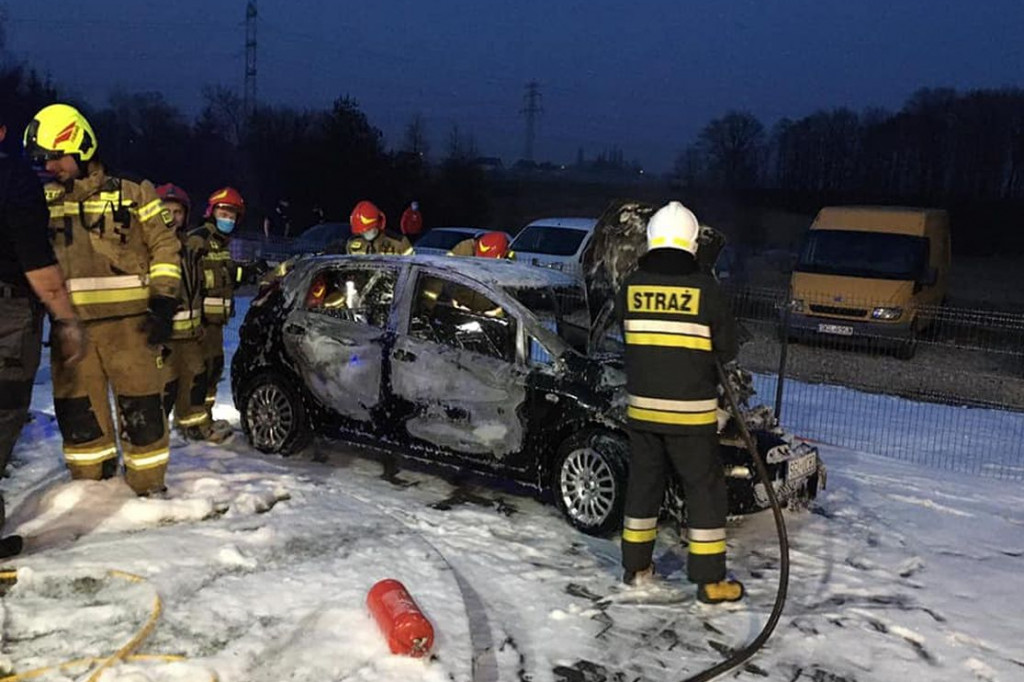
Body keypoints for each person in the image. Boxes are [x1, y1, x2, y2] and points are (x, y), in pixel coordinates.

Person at [24, 103, 181, 496]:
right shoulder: (40, 200)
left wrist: (163, 301)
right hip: (70, 329)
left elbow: (165, 245)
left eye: (56, 158)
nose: (51, 167)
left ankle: (149, 491)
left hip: (131, 325)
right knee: (79, 415)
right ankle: (90, 494)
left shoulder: (133, 192)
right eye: (44, 160)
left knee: (142, 409)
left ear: (80, 147)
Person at [617, 200, 744, 604]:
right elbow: (727, 349)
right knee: (704, 490)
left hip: (642, 410)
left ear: (652, 240)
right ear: (691, 243)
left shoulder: (632, 286)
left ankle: (635, 565)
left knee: (643, 486)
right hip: (690, 414)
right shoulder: (705, 289)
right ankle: (710, 581)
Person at [0, 110, 85, 478]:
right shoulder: (14, 179)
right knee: (4, 409)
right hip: (9, 313)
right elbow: (35, 259)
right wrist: (65, 318)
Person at [155, 183, 229, 443]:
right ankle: (155, 435)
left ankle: (193, 428)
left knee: (195, 383)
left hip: (190, 334)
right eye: (167, 211)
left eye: (178, 212)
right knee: (163, 387)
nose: (173, 217)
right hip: (163, 335)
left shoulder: (190, 246)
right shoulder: (146, 247)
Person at [345, 200, 414, 256]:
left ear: (377, 225)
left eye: (369, 229)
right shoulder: (352, 244)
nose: (365, 233)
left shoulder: (399, 243)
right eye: (362, 231)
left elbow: (411, 267)